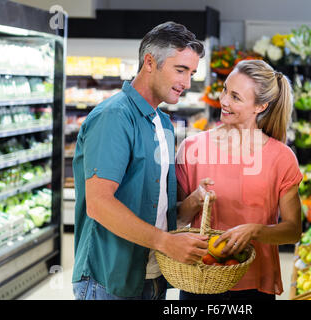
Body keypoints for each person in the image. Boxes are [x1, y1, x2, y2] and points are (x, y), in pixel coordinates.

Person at [71, 21, 209, 300]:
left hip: (153, 276)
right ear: (149, 62)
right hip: (109, 278)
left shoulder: (164, 124)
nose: (186, 83)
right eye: (180, 70)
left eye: (191, 73)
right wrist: (165, 242)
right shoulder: (114, 116)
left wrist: (190, 204)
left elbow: (153, 209)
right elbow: (99, 204)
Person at [176, 59, 303, 300]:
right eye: (225, 90)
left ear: (261, 106)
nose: (223, 101)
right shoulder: (192, 148)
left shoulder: (281, 158)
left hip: (253, 284)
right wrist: (195, 200)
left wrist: (256, 231)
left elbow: (293, 230)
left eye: (236, 97)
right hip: (200, 278)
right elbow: (178, 218)